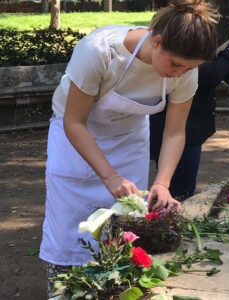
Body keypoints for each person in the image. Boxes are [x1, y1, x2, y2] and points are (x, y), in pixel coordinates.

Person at [39, 0, 219, 296]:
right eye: (175, 65)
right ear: (157, 41)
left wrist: (162, 182)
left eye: (188, 69)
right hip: (77, 140)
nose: (179, 74)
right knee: (68, 229)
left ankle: (113, 290)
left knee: (124, 227)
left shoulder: (186, 70)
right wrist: (109, 176)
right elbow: (74, 122)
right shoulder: (99, 50)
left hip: (129, 138)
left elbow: (175, 132)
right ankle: (62, 291)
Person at [150, 19, 229, 201]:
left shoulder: (184, 28)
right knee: (179, 191)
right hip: (183, 126)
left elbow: (201, 62)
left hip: (182, 125)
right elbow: (207, 75)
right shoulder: (183, 30)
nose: (180, 72)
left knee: (177, 184)